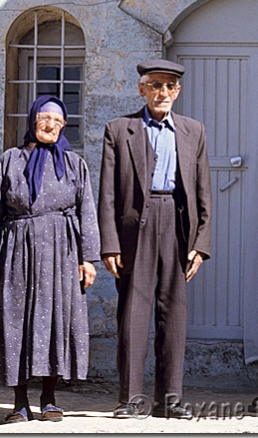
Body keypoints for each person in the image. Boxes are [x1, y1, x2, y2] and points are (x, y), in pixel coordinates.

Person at [98, 59, 212, 419]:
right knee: (133, 312)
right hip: (135, 229)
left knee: (174, 313)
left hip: (177, 226)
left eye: (170, 86)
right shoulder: (119, 129)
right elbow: (107, 195)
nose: (163, 93)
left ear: (177, 92)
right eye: (155, 85)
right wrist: (110, 244)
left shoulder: (194, 131)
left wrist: (201, 244)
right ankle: (130, 398)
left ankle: (170, 399)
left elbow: (203, 190)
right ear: (141, 89)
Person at [0, 95, 100, 423]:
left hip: (62, 250)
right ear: (33, 121)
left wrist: (89, 259)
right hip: (16, 248)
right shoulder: (9, 161)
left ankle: (49, 397)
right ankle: (19, 402)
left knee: (56, 321)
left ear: (64, 125)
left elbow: (87, 211)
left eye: (58, 121)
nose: (51, 125)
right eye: (45, 119)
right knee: (14, 320)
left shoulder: (75, 165)